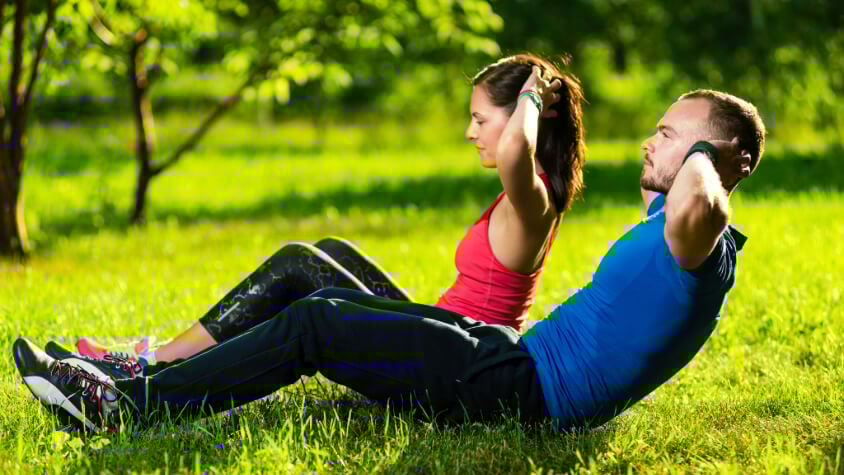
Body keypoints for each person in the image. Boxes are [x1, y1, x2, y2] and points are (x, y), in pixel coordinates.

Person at [14, 87, 763, 433]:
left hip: (523, 388)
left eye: (671, 135)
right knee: (323, 288)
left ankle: (131, 407)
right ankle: (134, 378)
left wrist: (708, 152)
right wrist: (680, 151)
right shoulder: (676, 233)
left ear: (722, 158)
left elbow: (697, 200)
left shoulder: (699, 241)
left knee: (317, 321)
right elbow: (670, 197)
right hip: (507, 358)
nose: (652, 141)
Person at [47, 52, 586, 372]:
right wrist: (528, 98)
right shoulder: (524, 198)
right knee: (329, 252)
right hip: (438, 338)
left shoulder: (533, 201)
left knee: (298, 264)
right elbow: (512, 145)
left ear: (521, 117)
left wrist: (532, 94)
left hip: (452, 364)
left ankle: (160, 362)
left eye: (480, 119)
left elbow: (515, 147)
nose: (469, 132)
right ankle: (184, 355)